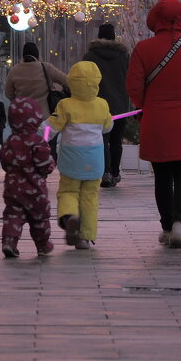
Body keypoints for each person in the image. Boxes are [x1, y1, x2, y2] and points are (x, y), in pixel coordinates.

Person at [125, 0, 181, 249]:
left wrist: (147, 105)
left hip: (156, 120)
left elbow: (133, 86)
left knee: (162, 175)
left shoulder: (144, 48)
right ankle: (179, 225)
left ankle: (166, 226)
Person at [45, 61, 114, 250]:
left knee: (68, 191)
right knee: (90, 197)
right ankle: (85, 237)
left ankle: (70, 217)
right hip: (95, 161)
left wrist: (39, 137)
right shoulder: (102, 105)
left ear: (72, 82)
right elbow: (108, 126)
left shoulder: (65, 105)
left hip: (71, 160)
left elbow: (50, 128)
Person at [0, 97, 55, 258]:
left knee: (12, 216)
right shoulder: (38, 142)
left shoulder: (10, 141)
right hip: (35, 191)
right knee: (40, 219)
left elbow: (4, 161)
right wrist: (50, 165)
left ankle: (9, 241)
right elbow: (44, 163)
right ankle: (43, 245)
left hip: (13, 189)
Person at [82, 23, 130, 188]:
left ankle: (105, 173)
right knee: (117, 140)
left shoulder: (89, 57)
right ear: (114, 37)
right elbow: (130, 79)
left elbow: (83, 80)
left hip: (97, 104)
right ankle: (115, 172)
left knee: (102, 139)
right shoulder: (124, 56)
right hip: (120, 105)